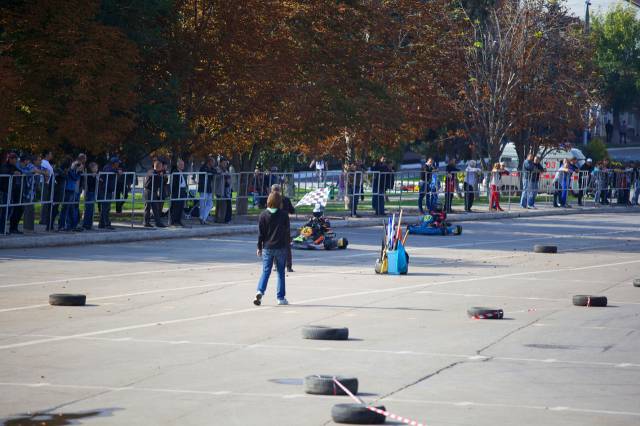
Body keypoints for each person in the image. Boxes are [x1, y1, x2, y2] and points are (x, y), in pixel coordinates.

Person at [253, 191, 291, 306]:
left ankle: (260, 291)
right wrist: (288, 244)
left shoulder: (263, 215)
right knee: (280, 273)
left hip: (267, 247)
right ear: (280, 202)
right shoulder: (284, 215)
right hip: (280, 247)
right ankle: (280, 298)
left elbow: (261, 234)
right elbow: (287, 231)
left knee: (266, 271)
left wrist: (259, 247)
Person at [271, 183, 295, 272]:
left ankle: (276, 265)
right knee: (287, 246)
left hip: (274, 225)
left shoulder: (271, 199)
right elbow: (292, 211)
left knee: (275, 245)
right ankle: (289, 266)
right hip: (285, 225)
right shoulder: (286, 199)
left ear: (272, 190)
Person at [98, 157, 121, 230]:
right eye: (117, 163)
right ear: (114, 163)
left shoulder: (113, 168)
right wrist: (117, 171)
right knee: (106, 208)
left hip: (108, 190)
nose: (118, 164)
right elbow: (109, 171)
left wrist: (117, 172)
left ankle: (101, 223)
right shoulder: (107, 167)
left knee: (106, 207)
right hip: (104, 190)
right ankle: (107, 224)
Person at [0, 153, 21, 234]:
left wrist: (18, 172)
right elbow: (5, 172)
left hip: (10, 191)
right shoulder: (4, 165)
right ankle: (2, 229)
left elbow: (19, 171)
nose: (16, 161)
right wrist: (13, 173)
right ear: (11, 159)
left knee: (9, 210)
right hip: (4, 191)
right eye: (15, 159)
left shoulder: (13, 166)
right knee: (5, 210)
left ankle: (3, 229)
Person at [143, 160, 167, 228]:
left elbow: (162, 182)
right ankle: (146, 222)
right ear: (158, 166)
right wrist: (160, 175)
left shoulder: (158, 173)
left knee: (155, 207)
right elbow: (153, 175)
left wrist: (162, 175)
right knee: (147, 207)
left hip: (153, 191)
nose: (162, 167)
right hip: (148, 191)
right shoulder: (151, 171)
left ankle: (158, 222)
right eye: (161, 166)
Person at [198, 156, 216, 225]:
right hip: (203, 188)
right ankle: (203, 219)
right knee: (203, 203)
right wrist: (212, 171)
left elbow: (215, 171)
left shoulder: (211, 168)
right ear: (209, 162)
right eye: (213, 162)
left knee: (210, 204)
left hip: (208, 188)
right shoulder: (203, 167)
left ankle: (202, 217)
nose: (214, 164)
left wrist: (213, 171)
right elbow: (208, 171)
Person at [170, 159, 188, 227]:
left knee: (181, 206)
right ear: (178, 165)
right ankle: (173, 222)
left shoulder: (182, 172)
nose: (183, 166)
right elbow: (175, 183)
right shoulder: (175, 171)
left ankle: (178, 220)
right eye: (181, 164)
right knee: (176, 207)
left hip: (182, 190)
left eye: (183, 164)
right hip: (177, 191)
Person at [82, 162, 98, 230]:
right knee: (88, 209)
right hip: (89, 193)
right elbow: (88, 184)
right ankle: (86, 224)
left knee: (91, 209)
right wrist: (93, 177)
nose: (97, 169)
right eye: (96, 167)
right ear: (92, 168)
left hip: (93, 192)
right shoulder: (89, 175)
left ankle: (89, 224)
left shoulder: (95, 175)